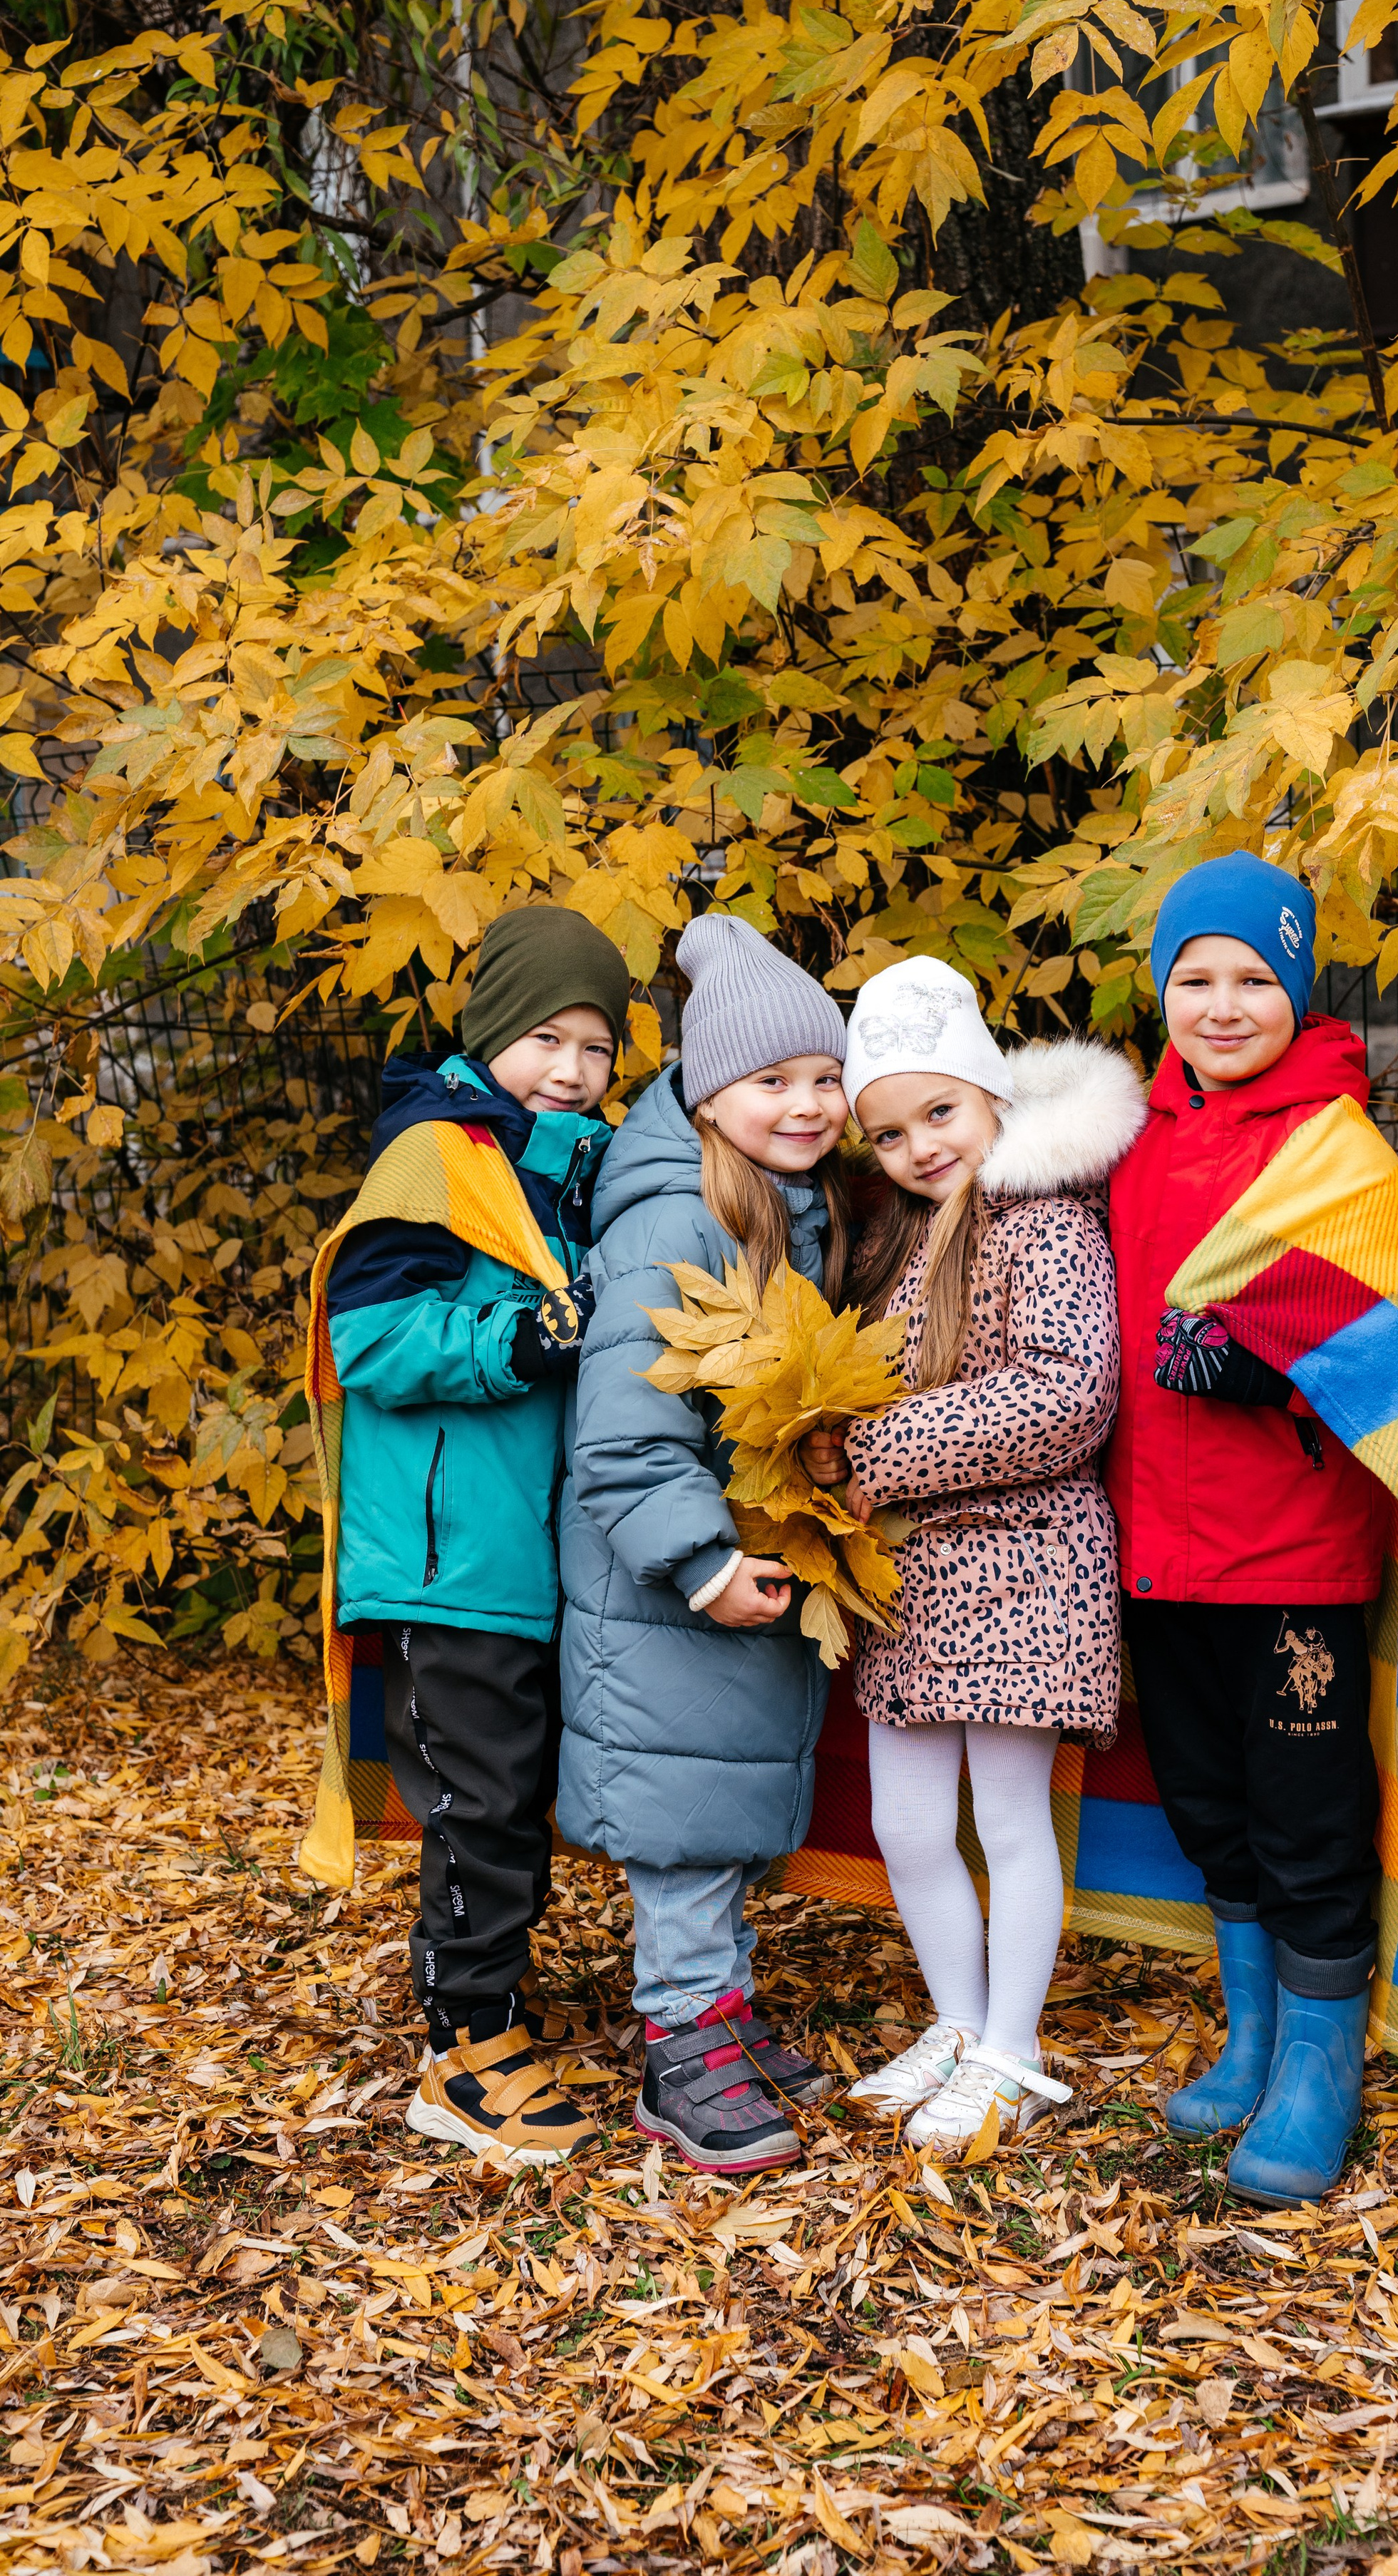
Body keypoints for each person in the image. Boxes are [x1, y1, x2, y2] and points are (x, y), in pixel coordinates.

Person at [809, 959, 1146, 2152]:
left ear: (990, 1092)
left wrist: (878, 1451)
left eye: (938, 1112)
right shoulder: (901, 1238)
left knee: (1007, 1820)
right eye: (890, 1131)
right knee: (907, 1825)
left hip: (1023, 1569)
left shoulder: (1044, 1217)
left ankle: (1013, 2048)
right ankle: (956, 2024)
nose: (917, 1146)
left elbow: (1069, 1393)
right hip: (912, 1579)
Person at [1107, 853, 1398, 2202]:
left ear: (1296, 987)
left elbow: (1389, 1339)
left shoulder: (1336, 1147)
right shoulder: (1137, 1139)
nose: (1223, 1006)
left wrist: (1274, 1362)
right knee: (1208, 1802)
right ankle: (1256, 2037)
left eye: (1253, 979)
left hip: (1289, 1548)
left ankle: (1320, 2073)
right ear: (1161, 990)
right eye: (1195, 978)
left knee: (1304, 1811)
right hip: (1156, 1547)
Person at [315, 902, 631, 2168]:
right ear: (491, 1032)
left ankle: (489, 1998)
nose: (570, 1068)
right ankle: (463, 2048)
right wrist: (516, 1342)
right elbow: (368, 1340)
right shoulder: (437, 1163)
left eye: (598, 1049)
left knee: (514, 1786)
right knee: (479, 1794)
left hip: (526, 1540)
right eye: (545, 1038)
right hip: (449, 1551)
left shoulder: (569, 1166)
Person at [556, 913, 851, 2175]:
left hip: (734, 1565)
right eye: (773, 1081)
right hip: (670, 1588)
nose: (807, 1103)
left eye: (826, 1077)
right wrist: (703, 1561)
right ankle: (680, 2044)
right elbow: (623, 1432)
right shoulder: (673, 1224)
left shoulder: (786, 1207)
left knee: (718, 1802)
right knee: (683, 1819)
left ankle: (720, 2005)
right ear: (705, 1087)